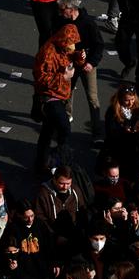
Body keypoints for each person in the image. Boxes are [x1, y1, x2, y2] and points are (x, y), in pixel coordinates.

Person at [54, 0, 104, 140]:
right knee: (66, 93)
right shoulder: (61, 22)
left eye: (63, 10)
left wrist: (91, 62)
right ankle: (66, 122)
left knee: (92, 98)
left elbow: (98, 45)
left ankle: (97, 132)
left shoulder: (88, 23)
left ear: (71, 9)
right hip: (70, 62)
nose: (61, 13)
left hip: (86, 63)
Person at [32, 23, 81, 172]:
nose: (71, 48)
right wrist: (63, 77)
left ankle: (42, 164)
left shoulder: (64, 49)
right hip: (49, 97)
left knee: (47, 132)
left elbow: (72, 59)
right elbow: (40, 78)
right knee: (64, 128)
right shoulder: (48, 52)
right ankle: (60, 161)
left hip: (61, 96)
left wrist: (79, 58)